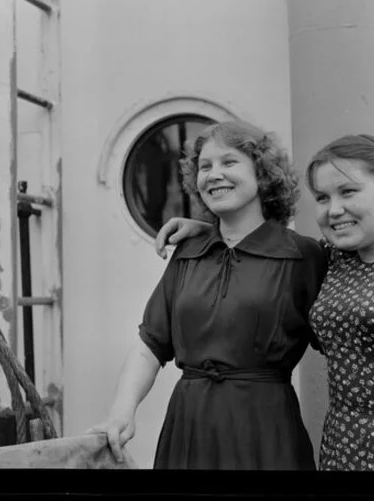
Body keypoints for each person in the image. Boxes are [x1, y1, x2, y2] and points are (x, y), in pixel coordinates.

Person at [155, 134, 374, 472]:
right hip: (341, 457)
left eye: (348, 192)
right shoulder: (333, 259)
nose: (335, 210)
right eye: (322, 198)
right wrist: (207, 230)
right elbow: (263, 251)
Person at [90, 120, 327, 470]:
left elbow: (340, 340)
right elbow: (151, 345)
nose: (214, 174)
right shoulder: (187, 252)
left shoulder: (303, 256)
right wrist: (121, 413)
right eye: (205, 166)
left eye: (229, 162)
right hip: (189, 424)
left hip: (265, 427)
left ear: (263, 174)